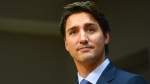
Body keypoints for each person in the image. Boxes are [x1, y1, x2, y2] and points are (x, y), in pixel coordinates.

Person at [59, 1, 148, 84]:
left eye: (91, 29)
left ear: (106, 36)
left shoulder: (132, 82)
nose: (83, 39)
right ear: (66, 44)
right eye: (73, 32)